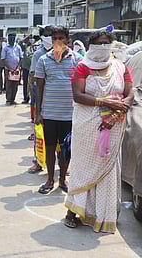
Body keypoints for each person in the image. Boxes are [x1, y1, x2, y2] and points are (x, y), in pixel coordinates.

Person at [65, 31, 134, 232]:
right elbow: (78, 95)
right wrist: (104, 102)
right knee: (83, 167)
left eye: (107, 43)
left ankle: (104, 215)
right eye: (99, 43)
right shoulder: (82, 67)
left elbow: (130, 92)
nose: (103, 47)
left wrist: (121, 107)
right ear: (91, 46)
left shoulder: (121, 67)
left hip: (114, 124)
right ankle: (73, 211)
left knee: (109, 169)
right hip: (88, 126)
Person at [34, 26, 81, 195]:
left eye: (61, 38)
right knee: (50, 148)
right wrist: (38, 113)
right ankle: (49, 179)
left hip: (70, 114)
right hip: (50, 114)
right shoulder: (44, 60)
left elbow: (83, 84)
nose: (58, 41)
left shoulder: (77, 59)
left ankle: (62, 179)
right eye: (55, 38)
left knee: (65, 149)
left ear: (68, 39)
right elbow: (39, 87)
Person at [28, 26, 53, 174]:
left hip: (59, 102)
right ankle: (38, 162)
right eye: (48, 35)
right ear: (43, 37)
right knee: (40, 132)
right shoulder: (39, 54)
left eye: (53, 35)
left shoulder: (64, 54)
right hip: (42, 98)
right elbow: (33, 76)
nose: (51, 38)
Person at [1, 34, 23, 106]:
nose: (12, 39)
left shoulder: (18, 47)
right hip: (8, 69)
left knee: (15, 85)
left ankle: (13, 99)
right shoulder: (5, 48)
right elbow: (3, 59)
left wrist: (18, 67)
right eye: (10, 38)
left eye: (13, 38)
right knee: (9, 84)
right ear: (8, 39)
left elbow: (21, 57)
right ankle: (8, 100)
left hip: (16, 69)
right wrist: (9, 68)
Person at [20, 37, 33, 104]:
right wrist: (27, 37)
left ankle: (33, 98)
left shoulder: (35, 46)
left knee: (33, 84)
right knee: (25, 84)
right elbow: (19, 43)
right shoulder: (25, 46)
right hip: (25, 67)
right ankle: (26, 98)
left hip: (33, 67)